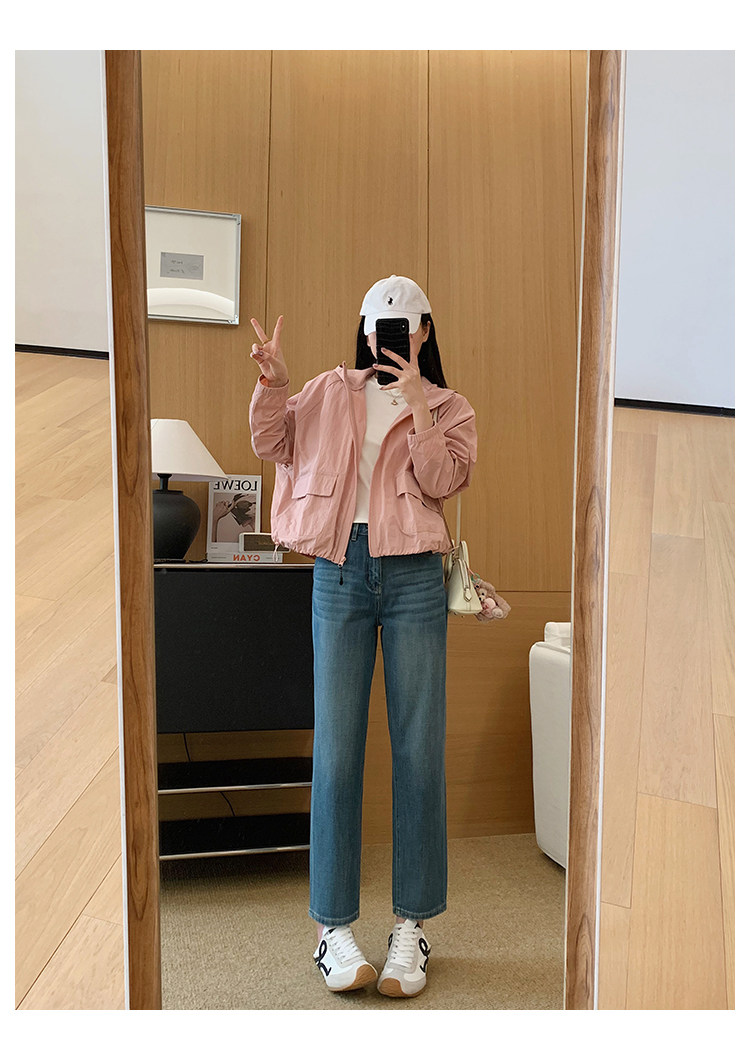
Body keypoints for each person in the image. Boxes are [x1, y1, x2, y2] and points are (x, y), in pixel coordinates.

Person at [248, 275, 478, 999]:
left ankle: (412, 927)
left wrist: (418, 406)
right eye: (380, 327)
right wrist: (274, 383)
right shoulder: (326, 391)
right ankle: (332, 930)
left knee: (419, 749)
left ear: (424, 331)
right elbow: (270, 441)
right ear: (364, 330)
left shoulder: (450, 407)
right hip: (340, 570)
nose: (390, 339)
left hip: (414, 577)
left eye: (403, 327)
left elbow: (443, 482)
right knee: (338, 750)